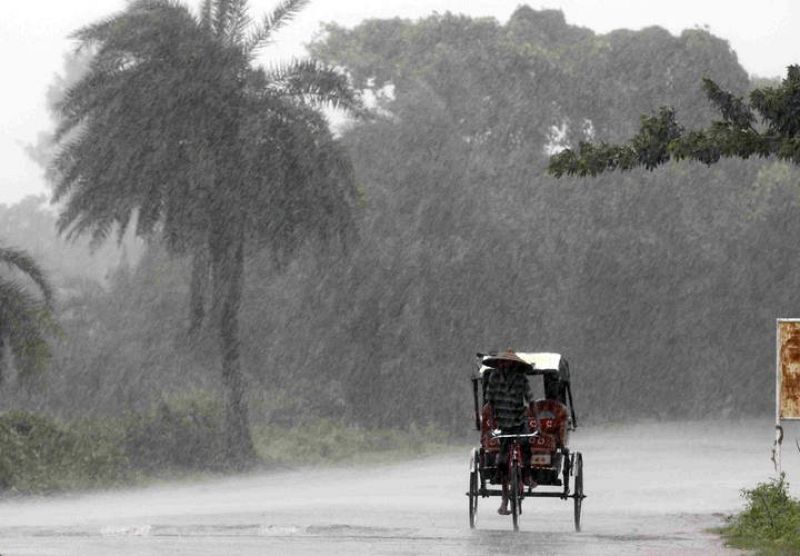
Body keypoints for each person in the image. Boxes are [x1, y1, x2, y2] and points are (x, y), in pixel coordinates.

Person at [485, 350, 535, 515]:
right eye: (502, 363)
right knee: (502, 462)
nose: (504, 366)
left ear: (513, 364)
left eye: (507, 363)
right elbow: (490, 404)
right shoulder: (494, 378)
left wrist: (538, 424)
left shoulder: (521, 379)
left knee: (526, 445)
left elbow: (531, 399)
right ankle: (504, 499)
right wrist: (492, 425)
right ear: (499, 364)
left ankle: (527, 475)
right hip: (504, 423)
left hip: (520, 421)